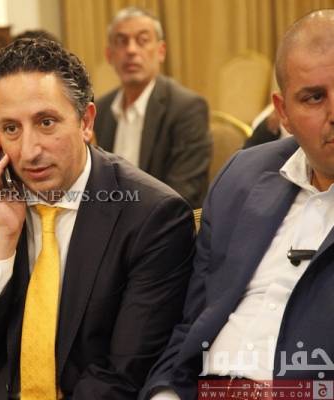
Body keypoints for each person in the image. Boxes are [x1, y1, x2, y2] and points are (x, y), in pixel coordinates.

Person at [0, 37, 195, 399]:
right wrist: (2, 238)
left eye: (46, 122)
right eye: (11, 129)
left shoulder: (152, 217)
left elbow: (123, 375)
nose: (29, 151)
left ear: (86, 121)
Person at [140, 9, 334, 400]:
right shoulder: (241, 178)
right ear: (283, 113)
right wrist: (165, 393)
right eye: (314, 97)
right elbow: (191, 323)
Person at [95, 7, 210, 208]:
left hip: (159, 221)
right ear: (109, 55)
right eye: (122, 41)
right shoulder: (100, 110)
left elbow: (182, 194)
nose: (131, 50)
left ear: (161, 51)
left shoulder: (187, 109)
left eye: (142, 40)